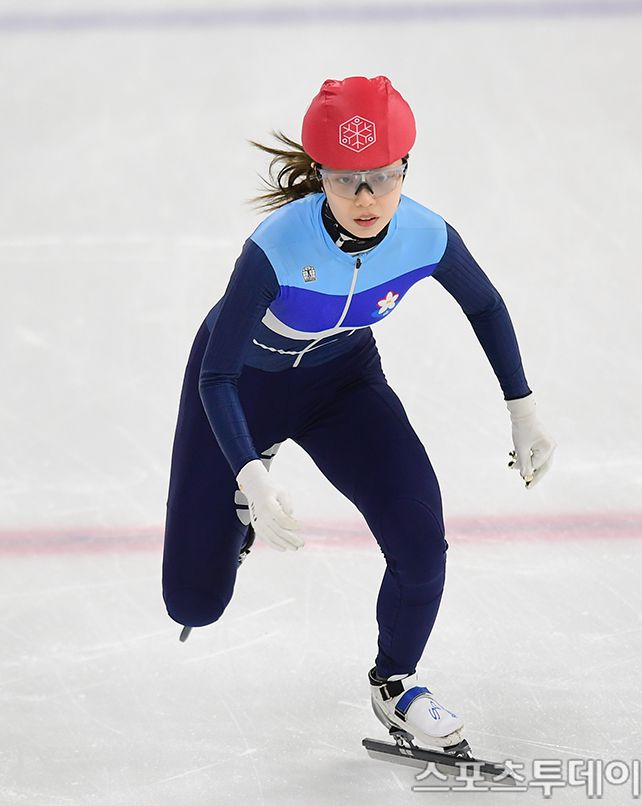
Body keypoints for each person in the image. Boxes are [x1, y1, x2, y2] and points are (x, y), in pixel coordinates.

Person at [162, 75, 555, 751]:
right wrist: (251, 474)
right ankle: (242, 510)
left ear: (406, 168)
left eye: (383, 176)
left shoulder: (426, 234)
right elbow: (217, 375)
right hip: (243, 388)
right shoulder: (276, 246)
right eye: (347, 180)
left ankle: (396, 684)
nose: (366, 198)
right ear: (321, 175)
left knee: (421, 540)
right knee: (194, 603)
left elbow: (485, 305)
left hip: (340, 385)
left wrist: (523, 408)